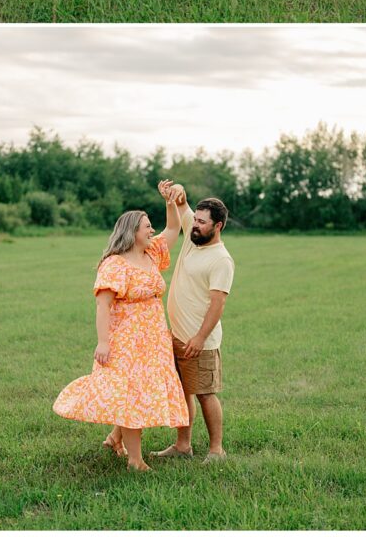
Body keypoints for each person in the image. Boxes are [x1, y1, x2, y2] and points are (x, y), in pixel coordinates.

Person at [53, 185, 189, 472]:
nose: (152, 231)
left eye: (152, 226)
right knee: (129, 393)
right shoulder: (115, 265)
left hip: (153, 336)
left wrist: (170, 202)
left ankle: (116, 438)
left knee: (139, 391)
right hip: (126, 337)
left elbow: (174, 228)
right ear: (132, 231)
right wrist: (103, 342)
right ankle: (135, 460)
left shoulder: (151, 253)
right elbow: (103, 306)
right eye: (147, 226)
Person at [107, 183, 235, 464]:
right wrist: (175, 193)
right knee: (181, 391)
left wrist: (200, 338)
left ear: (218, 226)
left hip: (199, 340)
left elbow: (218, 304)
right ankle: (182, 445)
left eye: (202, 222)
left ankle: (216, 450)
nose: (196, 225)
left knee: (205, 393)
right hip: (172, 336)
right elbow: (180, 209)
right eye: (196, 219)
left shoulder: (221, 260)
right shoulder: (194, 236)